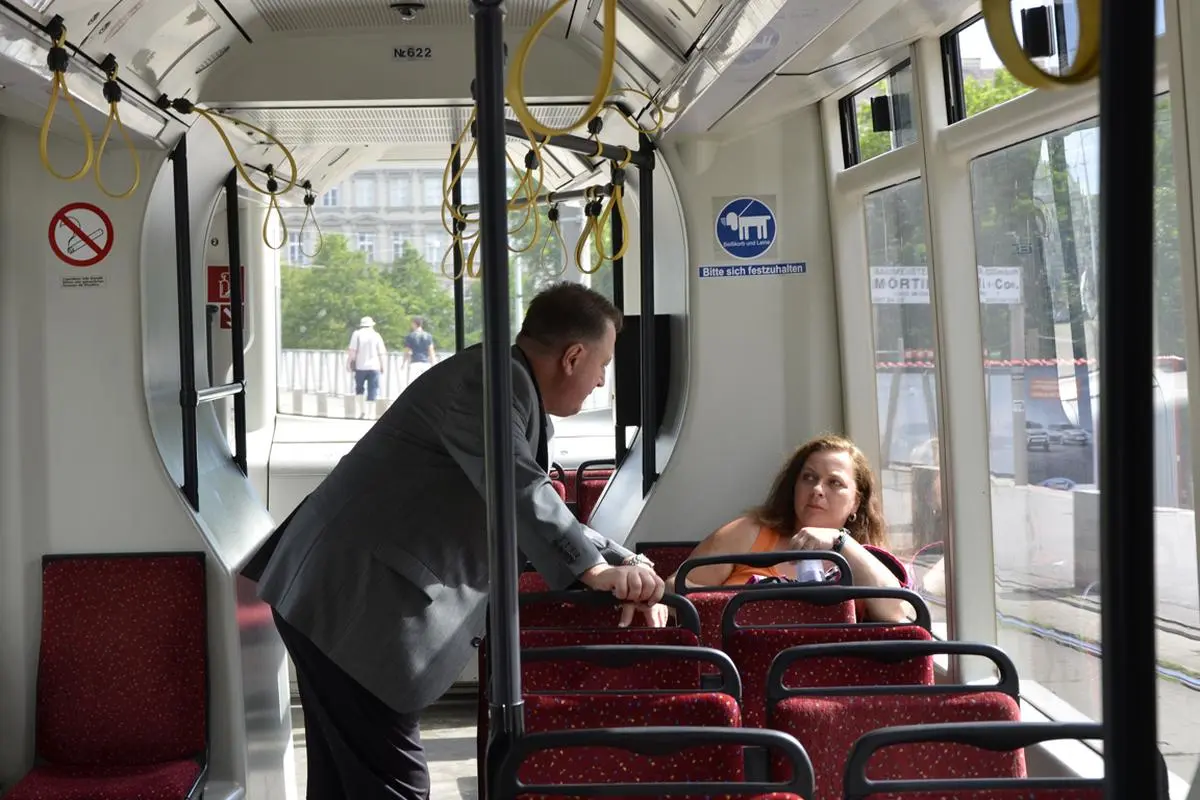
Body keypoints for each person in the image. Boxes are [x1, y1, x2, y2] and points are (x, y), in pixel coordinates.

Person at [242, 282, 664, 799]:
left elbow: (533, 496)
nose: (601, 382)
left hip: (335, 598)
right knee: (394, 785)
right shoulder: (490, 384)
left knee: (344, 782)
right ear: (573, 356)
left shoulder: (506, 387)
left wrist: (624, 558)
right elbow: (520, 488)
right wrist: (594, 572)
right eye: (603, 365)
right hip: (350, 605)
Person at [664, 434, 912, 622]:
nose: (817, 489)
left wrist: (840, 542)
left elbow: (897, 612)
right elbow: (675, 589)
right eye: (809, 478)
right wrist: (750, 610)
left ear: (855, 502)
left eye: (834, 483)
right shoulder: (751, 532)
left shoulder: (862, 557)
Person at [346, 316, 387, 419]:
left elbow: (352, 351)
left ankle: (362, 411)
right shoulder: (376, 335)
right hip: (374, 366)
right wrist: (383, 365)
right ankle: (371, 413)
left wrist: (348, 363)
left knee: (359, 388)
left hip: (360, 366)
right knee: (373, 389)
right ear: (372, 325)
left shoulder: (357, 334)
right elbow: (381, 352)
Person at [402, 316, 437, 385]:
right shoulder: (428, 336)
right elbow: (431, 351)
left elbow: (406, 351)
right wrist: (434, 363)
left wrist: (403, 363)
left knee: (413, 385)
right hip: (426, 363)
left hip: (415, 362)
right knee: (426, 384)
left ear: (415, 324)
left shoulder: (410, 336)